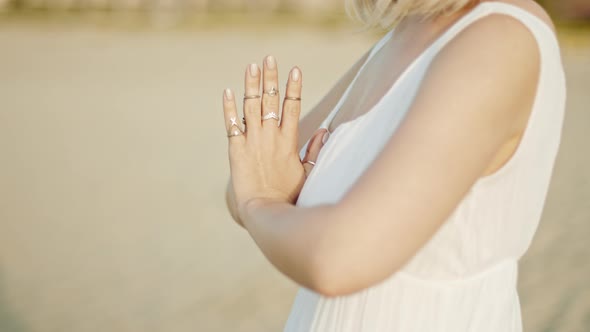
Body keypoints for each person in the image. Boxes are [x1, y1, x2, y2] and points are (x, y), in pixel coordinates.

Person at [221, 0, 565, 330]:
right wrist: (266, 197)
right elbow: (246, 177)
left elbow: (337, 260)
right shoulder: (404, 35)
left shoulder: (499, 39)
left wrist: (261, 204)